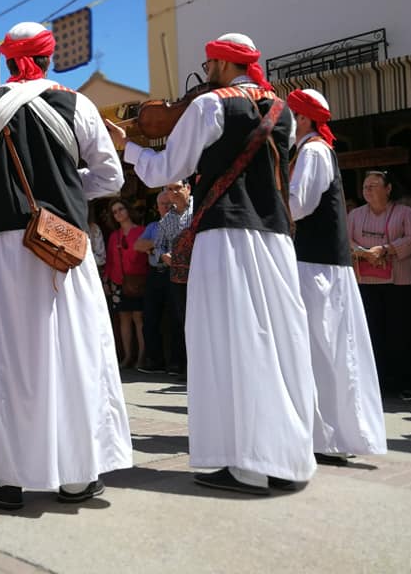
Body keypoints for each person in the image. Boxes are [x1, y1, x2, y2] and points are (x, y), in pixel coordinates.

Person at [0, 21, 132, 509]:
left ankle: (5, 479)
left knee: (9, 356)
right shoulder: (78, 104)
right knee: (74, 349)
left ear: (7, 60)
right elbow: (109, 178)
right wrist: (62, 193)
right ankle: (77, 476)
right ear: (49, 58)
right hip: (65, 243)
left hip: (5, 243)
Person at [109, 32, 316, 495]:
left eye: (208, 65)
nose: (204, 73)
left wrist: (128, 145)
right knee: (277, 343)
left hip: (226, 239)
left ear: (222, 64)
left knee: (228, 344)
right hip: (277, 239)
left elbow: (166, 171)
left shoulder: (211, 105)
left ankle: (243, 462)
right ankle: (284, 458)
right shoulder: (281, 111)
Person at [287, 88, 387, 464]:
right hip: (315, 266)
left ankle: (331, 437)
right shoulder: (307, 151)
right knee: (319, 348)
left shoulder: (313, 152)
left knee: (324, 349)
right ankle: (323, 434)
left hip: (319, 269)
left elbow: (299, 204)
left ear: (304, 119)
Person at [349, 170, 411, 399]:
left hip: (400, 281)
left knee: (400, 331)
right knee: (372, 331)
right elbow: (346, 238)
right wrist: (363, 253)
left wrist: (385, 250)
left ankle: (404, 383)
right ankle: (376, 383)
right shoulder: (355, 215)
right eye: (365, 187)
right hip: (367, 280)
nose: (367, 190)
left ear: (388, 189)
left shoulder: (405, 212)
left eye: (373, 186)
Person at [155, 179, 194, 378]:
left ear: (188, 188)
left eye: (177, 188)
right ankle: (187, 366)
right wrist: (163, 256)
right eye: (170, 189)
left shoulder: (200, 210)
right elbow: (159, 247)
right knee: (183, 320)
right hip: (178, 277)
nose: (174, 192)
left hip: (201, 273)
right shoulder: (165, 221)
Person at [104, 200, 148, 369]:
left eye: (121, 209)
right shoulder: (114, 236)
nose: (118, 213)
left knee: (139, 318)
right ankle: (128, 356)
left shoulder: (141, 231)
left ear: (128, 210)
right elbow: (109, 260)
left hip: (137, 280)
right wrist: (106, 280)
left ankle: (141, 357)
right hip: (118, 281)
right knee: (124, 319)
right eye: (114, 212)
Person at [135, 190, 173, 374]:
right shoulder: (152, 226)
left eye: (169, 203)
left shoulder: (182, 223)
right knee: (150, 318)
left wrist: (151, 247)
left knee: (175, 318)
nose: (167, 207)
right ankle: (155, 361)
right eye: (163, 204)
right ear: (157, 207)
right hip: (154, 275)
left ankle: (176, 364)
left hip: (173, 274)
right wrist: (159, 243)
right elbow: (138, 245)